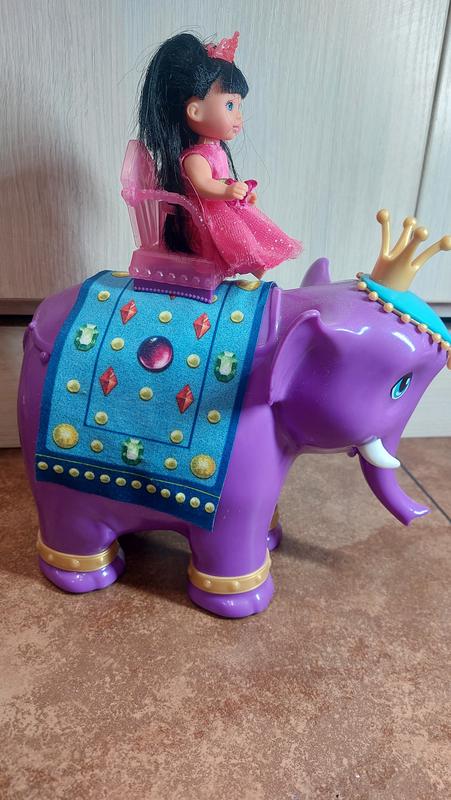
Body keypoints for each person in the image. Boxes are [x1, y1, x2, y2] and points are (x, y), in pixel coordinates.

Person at [138, 31, 302, 280]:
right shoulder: (194, 157)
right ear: (196, 111)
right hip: (205, 214)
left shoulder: (215, 150)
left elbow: (221, 178)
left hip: (222, 205)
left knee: (249, 223)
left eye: (238, 106)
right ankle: (251, 262)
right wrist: (226, 191)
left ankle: (257, 260)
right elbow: (203, 185)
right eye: (229, 105)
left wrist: (240, 193)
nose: (238, 116)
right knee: (236, 233)